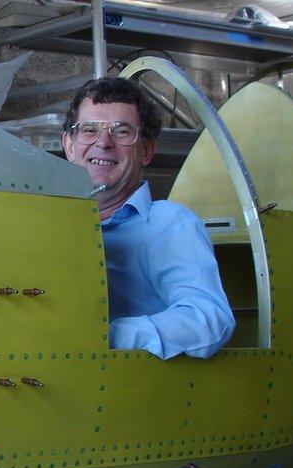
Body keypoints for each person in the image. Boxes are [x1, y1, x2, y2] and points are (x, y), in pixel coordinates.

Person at [61, 77, 234, 359]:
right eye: (89, 130)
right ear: (69, 145)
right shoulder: (49, 225)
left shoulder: (170, 224)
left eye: (122, 131)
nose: (103, 143)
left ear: (148, 151)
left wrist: (105, 335)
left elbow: (209, 319)